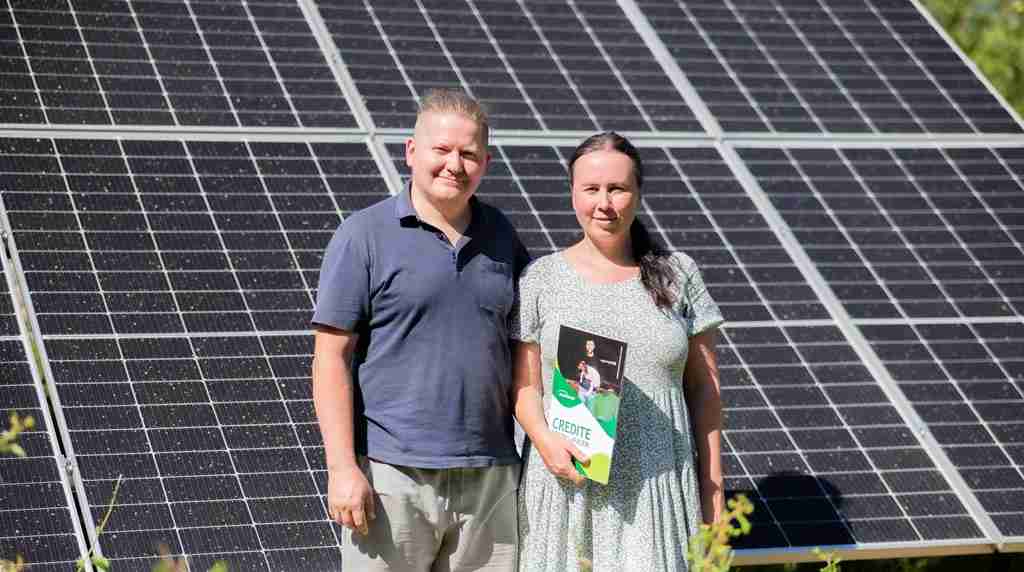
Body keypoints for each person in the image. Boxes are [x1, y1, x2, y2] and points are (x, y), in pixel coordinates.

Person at [312, 89, 529, 571]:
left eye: (468, 153)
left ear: (486, 162)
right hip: (393, 476)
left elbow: (528, 348)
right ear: (411, 151)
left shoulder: (502, 236)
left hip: (491, 475)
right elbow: (330, 359)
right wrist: (342, 467)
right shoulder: (363, 236)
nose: (455, 164)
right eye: (442, 149)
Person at [512, 132, 724, 570]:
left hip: (659, 490)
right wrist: (546, 442)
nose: (604, 203)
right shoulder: (540, 279)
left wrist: (713, 494)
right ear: (573, 194)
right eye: (591, 189)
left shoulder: (678, 274)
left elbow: (706, 391)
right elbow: (526, 387)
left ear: (638, 194)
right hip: (567, 489)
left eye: (618, 188)